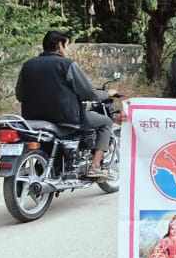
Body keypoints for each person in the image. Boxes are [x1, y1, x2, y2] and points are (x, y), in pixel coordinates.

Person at [16, 29, 122, 181]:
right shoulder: (67, 64)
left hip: (32, 119)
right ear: (59, 45)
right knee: (105, 122)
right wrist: (107, 94)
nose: (67, 49)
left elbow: (20, 95)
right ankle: (95, 166)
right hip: (67, 118)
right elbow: (89, 93)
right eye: (66, 45)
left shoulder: (27, 65)